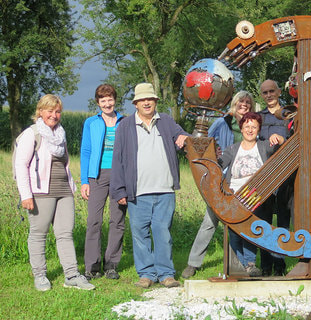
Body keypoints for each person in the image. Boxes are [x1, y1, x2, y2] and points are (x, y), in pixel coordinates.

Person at [110, 82, 189, 288]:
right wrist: (119, 189)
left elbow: (184, 137)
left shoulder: (167, 121)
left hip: (164, 189)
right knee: (140, 233)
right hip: (138, 191)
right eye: (142, 100)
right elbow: (117, 159)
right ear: (136, 103)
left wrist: (183, 136)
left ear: (155, 101)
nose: (147, 102)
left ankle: (166, 274)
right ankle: (146, 274)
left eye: (150, 99)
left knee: (162, 231)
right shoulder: (125, 126)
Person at [14, 94, 95, 291]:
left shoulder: (61, 134)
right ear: (40, 111)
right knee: (38, 234)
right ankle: (40, 275)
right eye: (50, 110)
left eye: (57, 111)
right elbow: (20, 165)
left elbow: (65, 163)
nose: (54, 115)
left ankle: (72, 275)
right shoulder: (31, 134)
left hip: (64, 191)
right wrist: (26, 195)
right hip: (40, 192)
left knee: (65, 233)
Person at [182, 91, 254, 279]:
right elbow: (204, 143)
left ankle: (243, 263)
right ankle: (193, 263)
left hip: (245, 184)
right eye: (241, 101)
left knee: (242, 222)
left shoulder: (252, 124)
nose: (244, 105)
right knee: (209, 221)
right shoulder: (222, 123)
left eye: (248, 102)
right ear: (234, 104)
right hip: (220, 181)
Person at [218, 112, 285, 275]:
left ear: (259, 129)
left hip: (257, 197)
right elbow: (219, 164)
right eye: (246, 126)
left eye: (254, 127)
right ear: (241, 129)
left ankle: (249, 263)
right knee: (235, 231)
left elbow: (283, 147)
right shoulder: (233, 149)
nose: (250, 130)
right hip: (235, 195)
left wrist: (279, 138)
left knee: (251, 228)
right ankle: (240, 265)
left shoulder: (263, 146)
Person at [80, 84, 127, 281]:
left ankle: (111, 265)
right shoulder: (91, 122)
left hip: (120, 176)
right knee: (94, 221)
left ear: (115, 100)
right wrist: (84, 180)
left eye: (110, 99)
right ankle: (92, 266)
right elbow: (86, 151)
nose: (107, 103)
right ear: (98, 102)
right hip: (96, 177)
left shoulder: (125, 122)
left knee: (117, 221)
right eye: (103, 100)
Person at [257, 79, 289, 275]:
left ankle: (280, 266)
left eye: (271, 91)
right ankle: (265, 266)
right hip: (265, 175)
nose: (269, 95)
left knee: (283, 223)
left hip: (285, 174)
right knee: (264, 222)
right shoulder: (258, 118)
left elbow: (297, 136)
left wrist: (283, 140)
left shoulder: (288, 114)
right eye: (265, 92)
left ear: (278, 92)